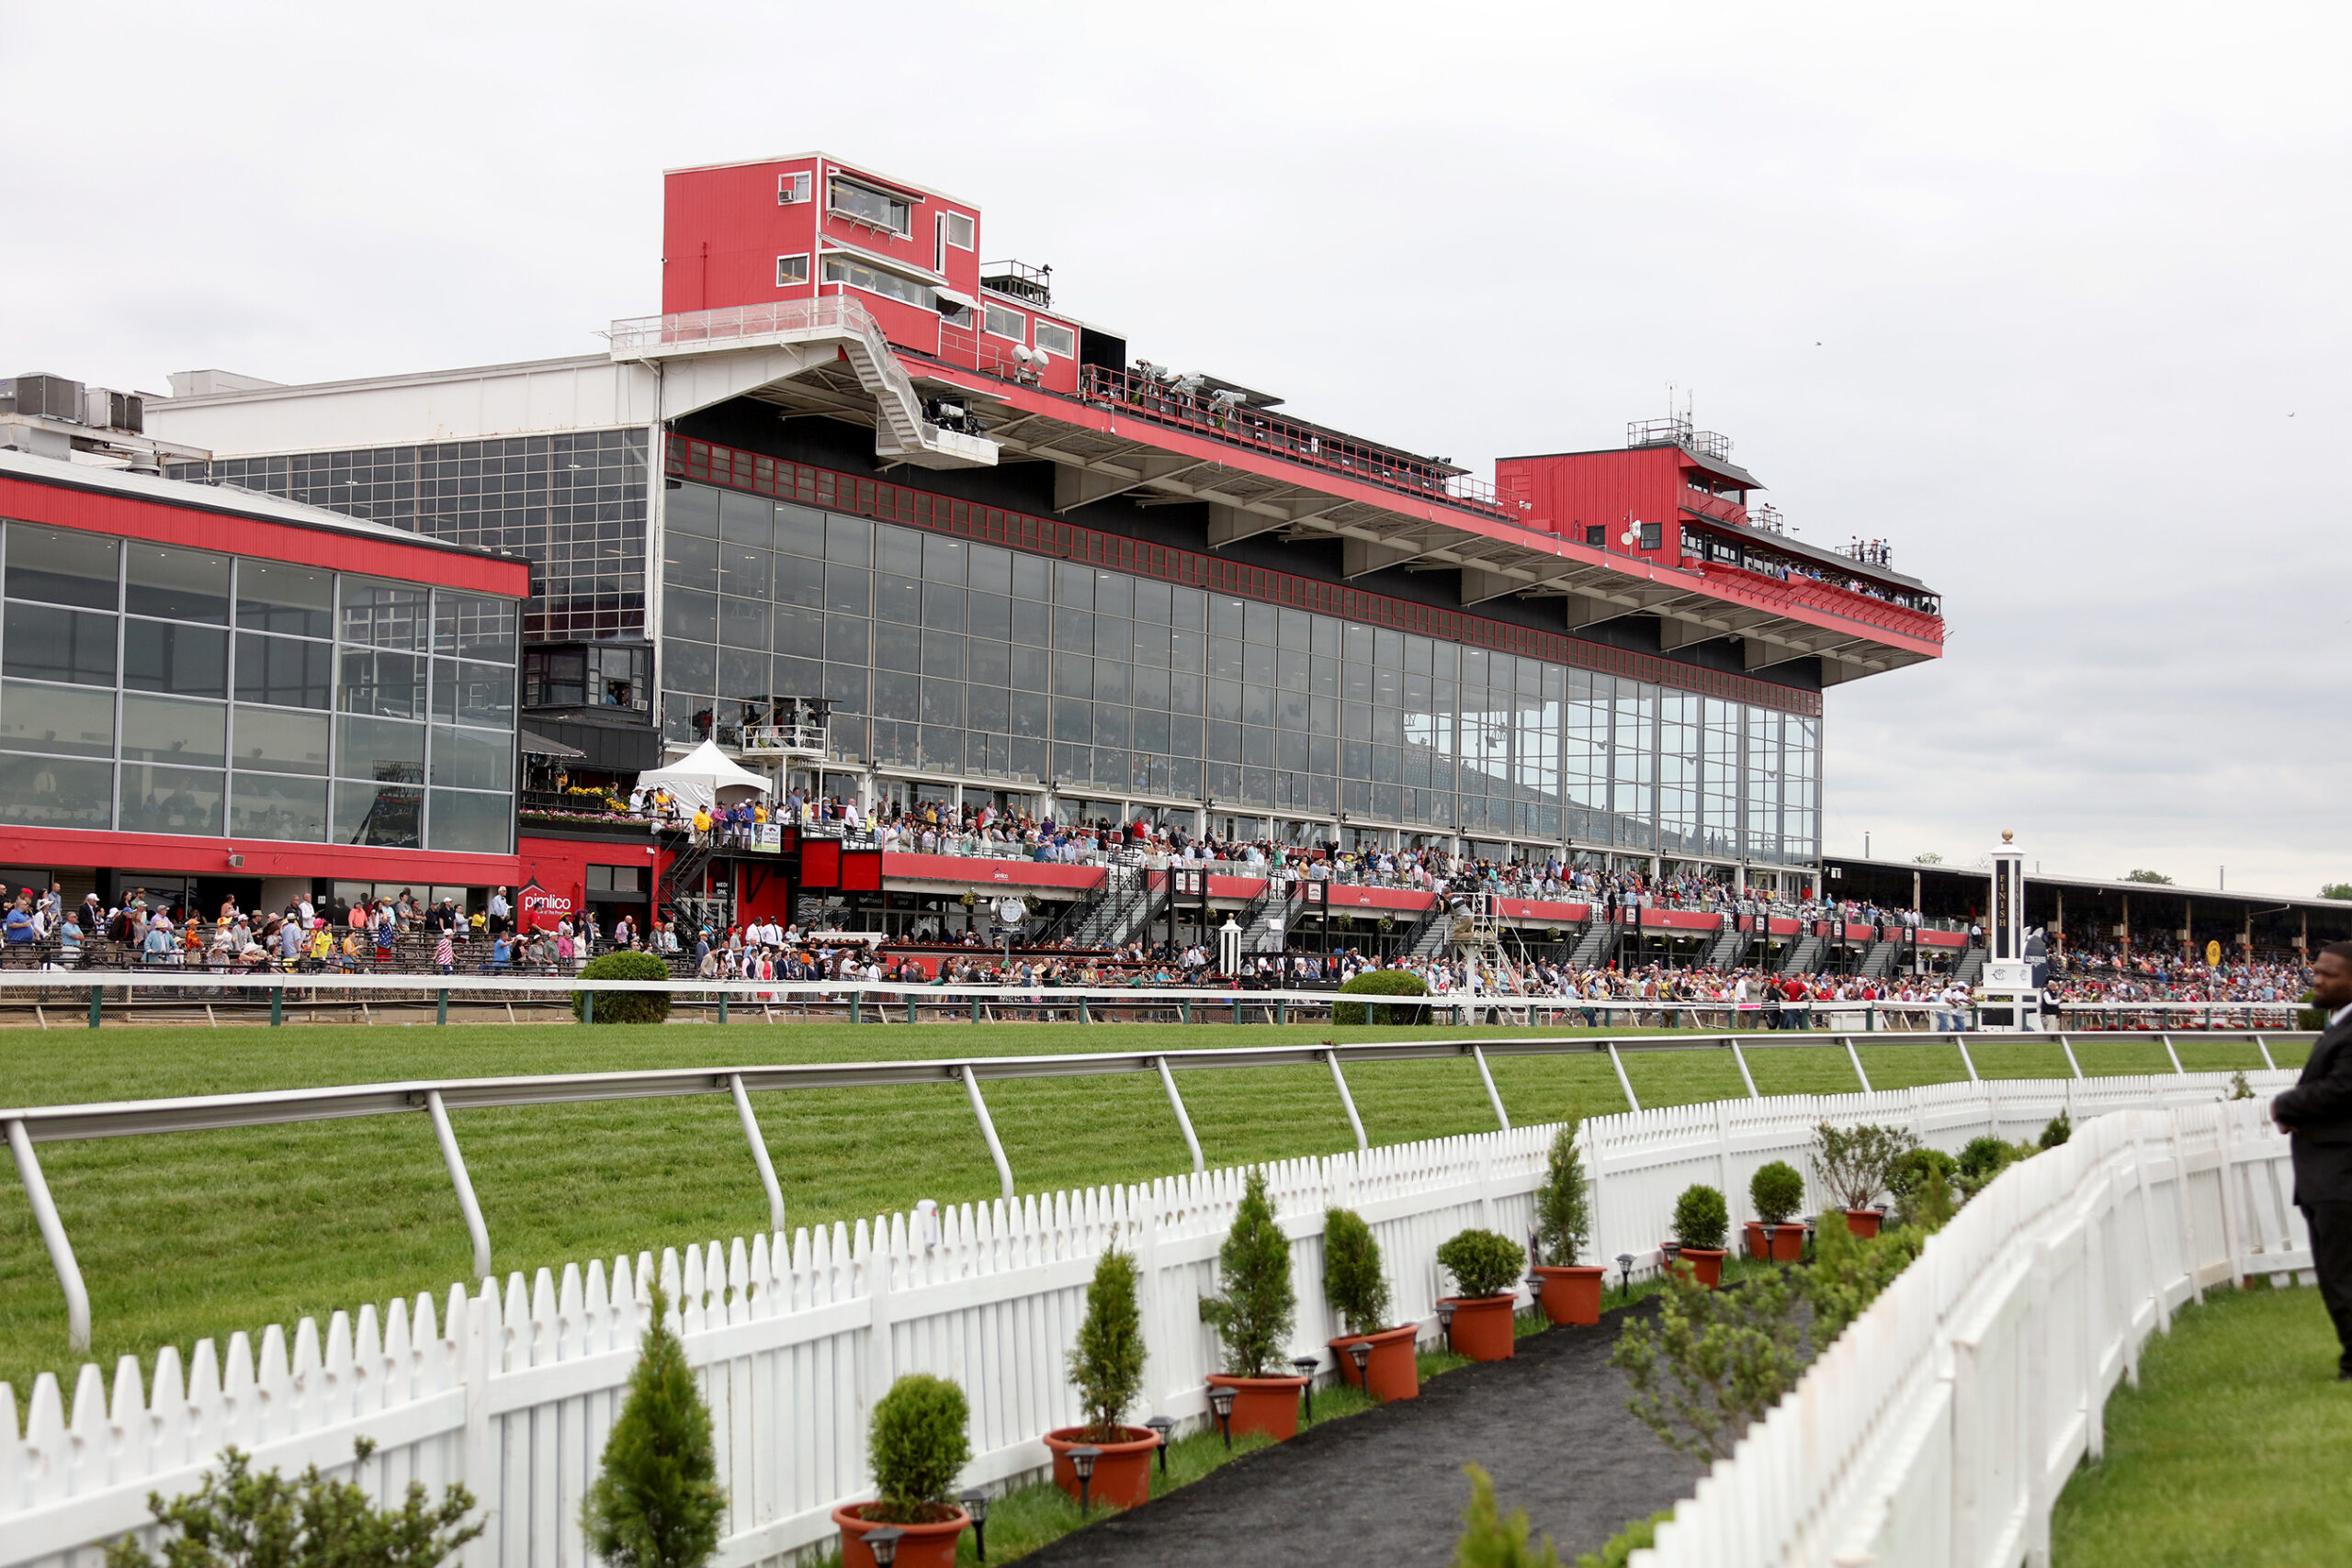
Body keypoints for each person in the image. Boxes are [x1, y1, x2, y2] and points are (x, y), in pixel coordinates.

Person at [2271, 941, 2352, 1378]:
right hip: (2329, 1175)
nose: (2317, 980)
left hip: (2341, 1176)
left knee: (2342, 1277)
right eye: (2316, 972)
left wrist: (2287, 1106)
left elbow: (2342, 1089)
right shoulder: (2339, 1025)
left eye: (2329, 974)